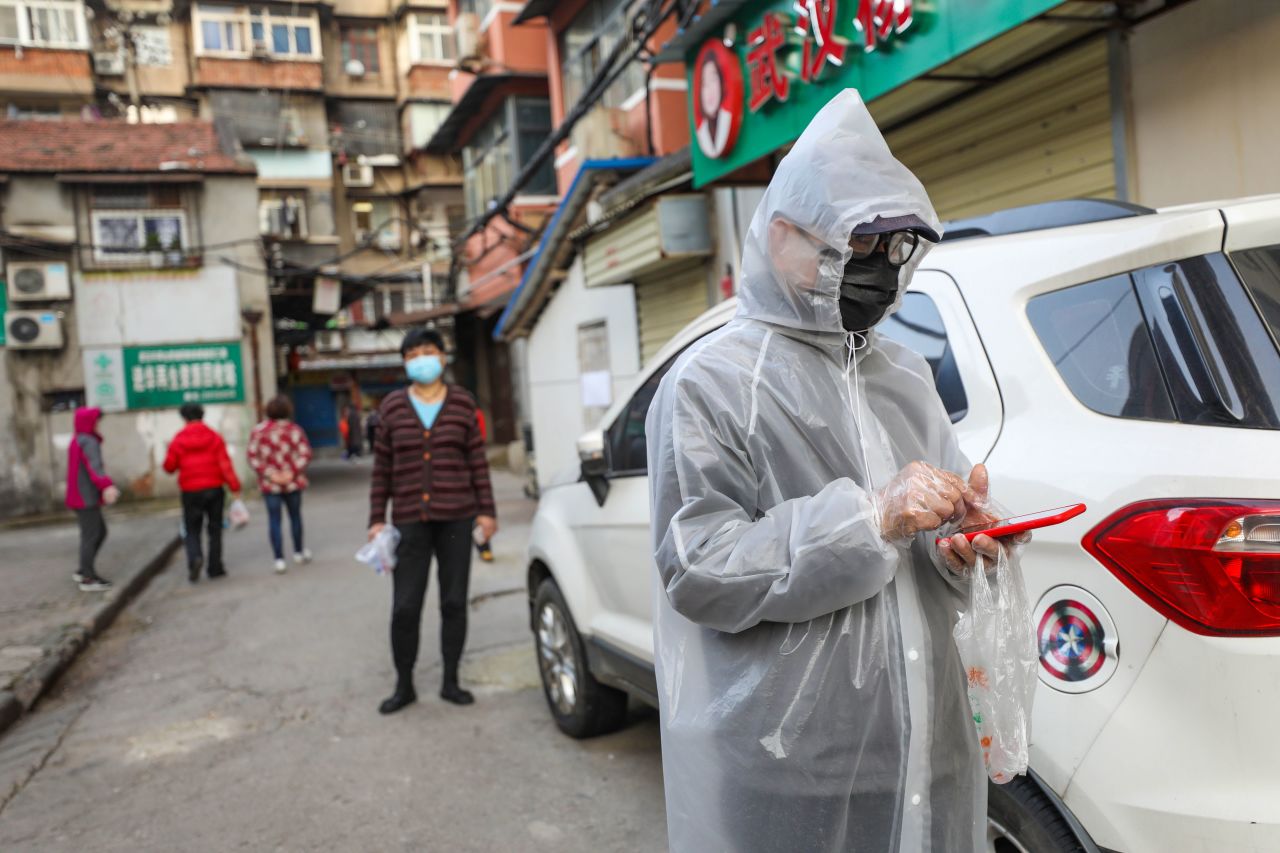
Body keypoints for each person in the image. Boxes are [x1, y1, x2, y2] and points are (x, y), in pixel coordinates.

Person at [646, 90, 1019, 852]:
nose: (879, 272)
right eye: (858, 248)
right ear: (782, 236)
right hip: (793, 760)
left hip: (928, 740)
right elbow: (699, 566)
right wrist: (869, 518)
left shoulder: (905, 374)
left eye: (894, 252)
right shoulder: (709, 383)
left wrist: (965, 542)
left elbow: (927, 555)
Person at [368, 328, 498, 713]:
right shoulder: (391, 407)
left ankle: (450, 681)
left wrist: (487, 511)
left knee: (454, 601)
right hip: (409, 518)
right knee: (405, 606)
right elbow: (382, 468)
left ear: (442, 358)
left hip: (458, 517)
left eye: (427, 351)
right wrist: (376, 517)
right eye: (412, 353)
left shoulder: (461, 403)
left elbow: (477, 460)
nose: (420, 358)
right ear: (405, 362)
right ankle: (404, 684)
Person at [164, 403, 242, 583]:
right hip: (214, 489)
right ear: (202, 415)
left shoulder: (179, 439)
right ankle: (215, 568)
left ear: (184, 418)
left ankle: (195, 558)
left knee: (192, 529)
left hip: (190, 491)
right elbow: (225, 464)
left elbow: (169, 466)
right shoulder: (214, 436)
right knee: (215, 528)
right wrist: (234, 486)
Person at [247, 395, 313, 574]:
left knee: (274, 520)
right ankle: (298, 552)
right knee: (295, 517)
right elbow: (305, 453)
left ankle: (279, 559)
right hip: (293, 482)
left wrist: (271, 474)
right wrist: (291, 472)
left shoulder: (258, 431)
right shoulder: (294, 430)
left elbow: (253, 457)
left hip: (271, 485)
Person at [66, 407, 120, 592]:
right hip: (85, 497)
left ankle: (84, 569)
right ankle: (87, 577)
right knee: (92, 535)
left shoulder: (77, 440)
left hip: (79, 495)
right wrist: (106, 485)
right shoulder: (88, 441)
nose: (97, 424)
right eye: (96, 421)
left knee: (97, 532)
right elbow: (94, 467)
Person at [695, 50, 732, 158]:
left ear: (721, 82)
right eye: (704, 84)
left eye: (713, 80)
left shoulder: (728, 119)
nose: (709, 90)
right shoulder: (702, 133)